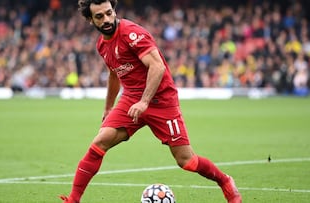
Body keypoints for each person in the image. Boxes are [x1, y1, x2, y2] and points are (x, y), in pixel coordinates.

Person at [60, 0, 242, 202]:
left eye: (109, 13)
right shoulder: (102, 45)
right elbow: (114, 74)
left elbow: (157, 66)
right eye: (99, 17)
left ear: (114, 10)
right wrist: (108, 107)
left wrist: (145, 102)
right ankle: (73, 199)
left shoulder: (131, 33)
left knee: (186, 161)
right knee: (99, 142)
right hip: (131, 99)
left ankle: (225, 181)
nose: (107, 19)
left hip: (161, 100)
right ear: (90, 20)